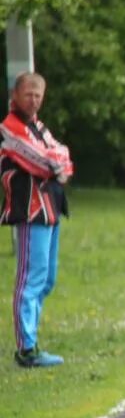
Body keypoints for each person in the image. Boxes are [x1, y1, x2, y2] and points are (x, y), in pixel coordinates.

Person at [1, 72, 73, 368]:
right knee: (30, 279)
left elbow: (63, 156)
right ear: (15, 95)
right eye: (29, 93)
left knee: (47, 278)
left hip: (50, 209)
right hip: (30, 210)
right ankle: (26, 349)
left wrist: (56, 163)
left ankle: (32, 338)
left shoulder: (38, 127)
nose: (34, 99)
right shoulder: (9, 128)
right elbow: (40, 160)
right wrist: (55, 163)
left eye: (39, 94)